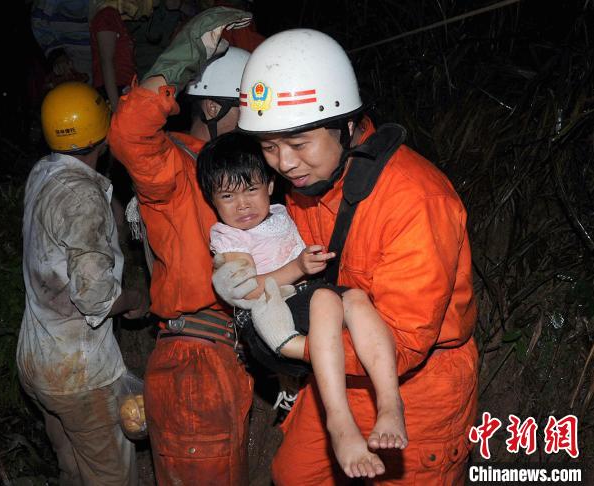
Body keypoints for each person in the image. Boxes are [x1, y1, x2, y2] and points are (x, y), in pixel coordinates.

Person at [214, 29, 479, 484]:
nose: (284, 164)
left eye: (298, 144)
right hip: (338, 375)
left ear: (346, 124)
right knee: (294, 475)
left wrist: (293, 347)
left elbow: (405, 342)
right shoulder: (308, 187)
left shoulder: (414, 200)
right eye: (269, 147)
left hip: (415, 386)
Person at [196, 132, 408, 478]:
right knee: (327, 298)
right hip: (267, 319)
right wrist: (296, 267)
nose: (243, 205)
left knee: (355, 298)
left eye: (251, 190)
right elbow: (244, 291)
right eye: (228, 196)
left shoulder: (281, 213)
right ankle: (339, 421)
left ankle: (389, 402)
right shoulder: (228, 237)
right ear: (213, 201)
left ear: (269, 186)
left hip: (304, 301)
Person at [107, 7, 256, 485]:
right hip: (195, 365)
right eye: (244, 113)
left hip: (217, 357)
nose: (255, 129)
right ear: (211, 108)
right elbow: (129, 133)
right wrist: (184, 56)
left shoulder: (232, 175)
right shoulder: (175, 166)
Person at [17, 81, 148, 486]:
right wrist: (134, 299)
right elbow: (95, 299)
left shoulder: (43, 172)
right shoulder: (82, 199)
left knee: (72, 468)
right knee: (112, 477)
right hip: (80, 376)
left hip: (38, 362)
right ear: (102, 132)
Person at [89, 1, 140, 111]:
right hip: (114, 92)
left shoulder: (115, 16)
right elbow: (106, 60)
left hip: (121, 89)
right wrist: (115, 105)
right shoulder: (107, 15)